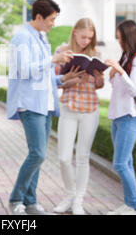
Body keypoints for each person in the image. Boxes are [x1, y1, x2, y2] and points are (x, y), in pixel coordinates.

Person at [6, 0, 76, 215]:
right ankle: (16, 198)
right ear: (38, 17)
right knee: (38, 154)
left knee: (39, 154)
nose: (53, 24)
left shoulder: (42, 38)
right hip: (29, 104)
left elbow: (43, 76)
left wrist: (64, 80)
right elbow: (24, 71)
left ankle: (30, 201)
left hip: (45, 105)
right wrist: (54, 60)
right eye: (51, 19)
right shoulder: (21, 38)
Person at [53, 18, 104, 215]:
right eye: (83, 37)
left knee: (83, 157)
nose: (85, 41)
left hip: (90, 109)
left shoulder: (96, 54)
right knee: (64, 157)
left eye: (89, 38)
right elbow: (56, 82)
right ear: (75, 32)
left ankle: (78, 201)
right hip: (69, 107)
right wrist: (73, 79)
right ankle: (69, 195)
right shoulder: (61, 52)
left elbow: (99, 86)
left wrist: (98, 78)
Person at [104, 20, 136, 215]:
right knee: (127, 163)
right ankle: (129, 205)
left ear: (128, 36)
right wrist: (114, 73)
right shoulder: (126, 57)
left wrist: (120, 71)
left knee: (120, 164)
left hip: (130, 116)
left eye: (120, 37)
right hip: (118, 115)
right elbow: (117, 86)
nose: (118, 41)